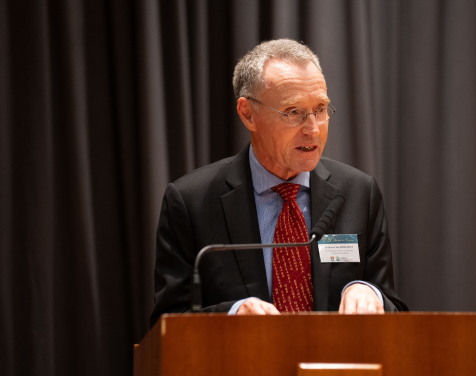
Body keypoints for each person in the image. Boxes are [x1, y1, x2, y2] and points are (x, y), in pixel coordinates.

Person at [151, 39, 407, 326]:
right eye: (293, 112)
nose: (313, 129)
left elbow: (394, 308)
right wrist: (233, 316)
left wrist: (371, 294)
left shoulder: (359, 193)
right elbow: (166, 324)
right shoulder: (191, 202)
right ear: (248, 113)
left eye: (320, 109)